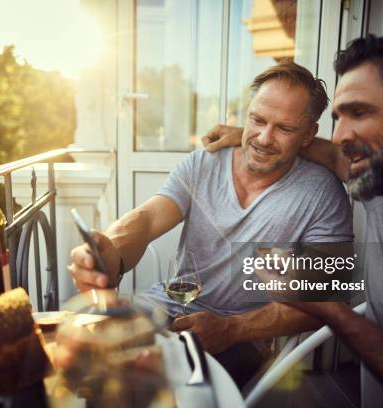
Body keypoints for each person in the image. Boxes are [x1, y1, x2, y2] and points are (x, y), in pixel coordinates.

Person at [203, 31, 383, 406]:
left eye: (360, 113)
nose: (339, 137)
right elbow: (329, 153)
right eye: (338, 117)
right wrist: (254, 135)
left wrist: (328, 308)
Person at [68, 61, 353, 388]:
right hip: (166, 308)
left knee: (155, 387)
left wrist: (232, 329)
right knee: (83, 353)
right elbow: (146, 220)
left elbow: (328, 299)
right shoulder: (204, 162)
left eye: (284, 129)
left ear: (308, 136)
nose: (263, 138)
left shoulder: (323, 195)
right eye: (257, 120)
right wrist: (110, 249)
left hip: (241, 336)